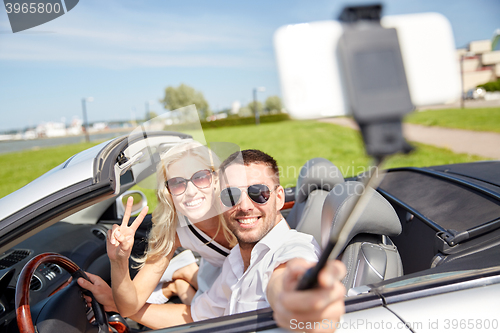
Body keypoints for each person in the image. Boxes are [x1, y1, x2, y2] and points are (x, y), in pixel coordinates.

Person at [81, 149, 346, 332]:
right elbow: (196, 315)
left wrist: (302, 295)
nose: (244, 206)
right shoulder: (235, 263)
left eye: (258, 193)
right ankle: (182, 279)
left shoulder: (289, 250)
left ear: (278, 198)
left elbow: (286, 276)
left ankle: (185, 275)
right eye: (232, 195)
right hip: (219, 282)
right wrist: (119, 266)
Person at [78, 140, 237, 312]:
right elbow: (131, 305)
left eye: (200, 177)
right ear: (168, 192)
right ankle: (181, 278)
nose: (190, 191)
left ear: (215, 178)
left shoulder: (240, 209)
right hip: (220, 278)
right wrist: (118, 261)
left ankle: (184, 272)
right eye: (177, 183)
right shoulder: (174, 231)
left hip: (227, 277)